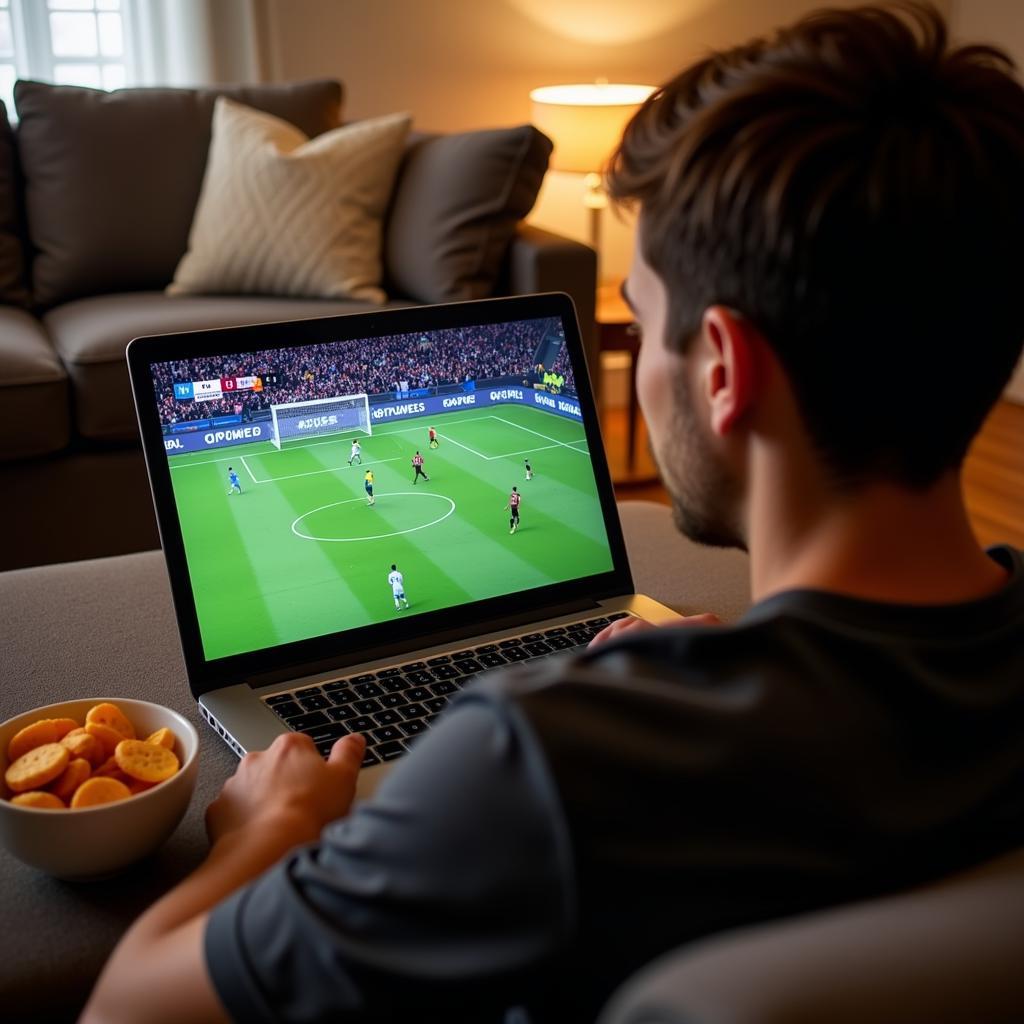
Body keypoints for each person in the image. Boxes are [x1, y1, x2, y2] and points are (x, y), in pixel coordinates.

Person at [81, 6, 1024, 1023]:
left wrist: (266, 830)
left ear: (720, 369)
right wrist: (734, 669)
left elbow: (126, 1006)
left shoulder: (537, 764)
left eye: (642, 314)